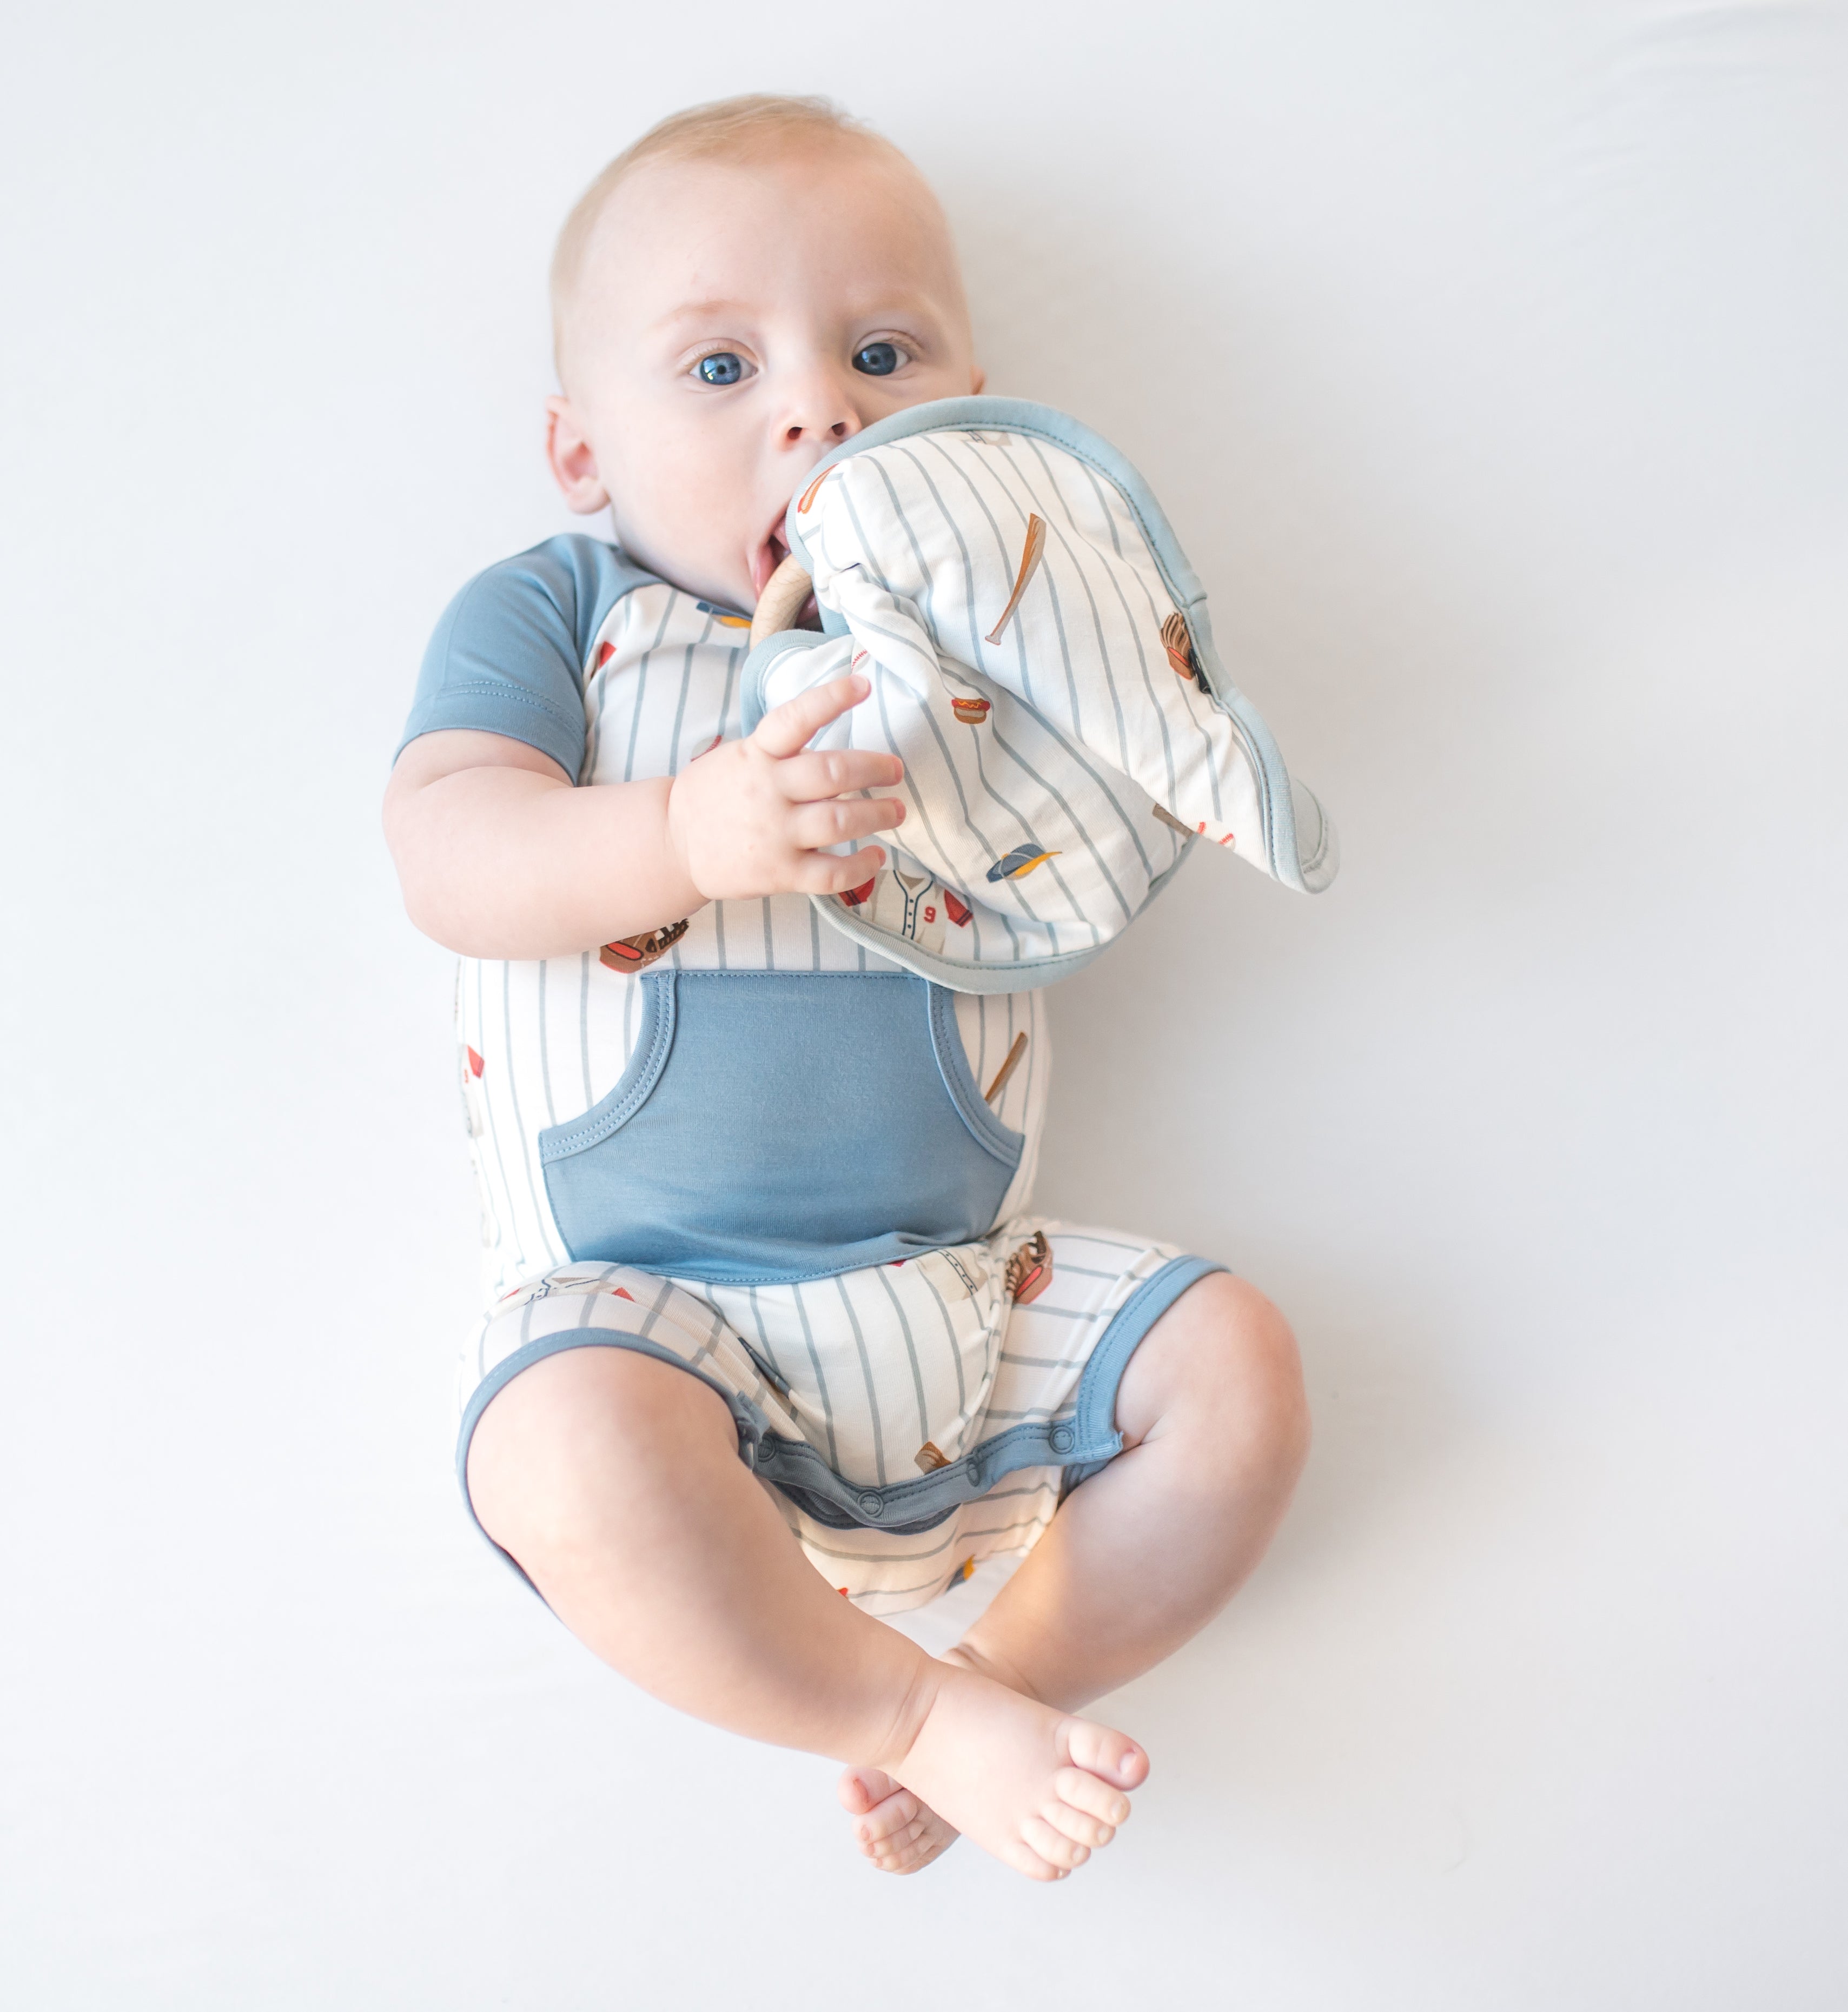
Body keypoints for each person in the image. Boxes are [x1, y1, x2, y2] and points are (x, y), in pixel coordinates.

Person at [382, 94, 1310, 1882]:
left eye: (882, 351)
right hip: (656, 1324)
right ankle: (894, 1711)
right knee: (550, 1446)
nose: (819, 407)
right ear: (581, 454)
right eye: (718, 367)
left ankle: (999, 1674)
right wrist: (687, 833)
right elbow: (452, 858)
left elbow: (1124, 757)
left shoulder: (984, 632)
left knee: (1242, 1371)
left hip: (963, 1302)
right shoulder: (558, 613)